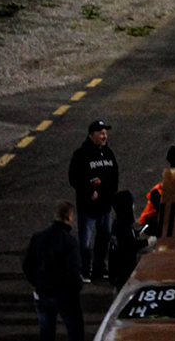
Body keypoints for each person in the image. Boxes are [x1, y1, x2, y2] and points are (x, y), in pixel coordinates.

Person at [23, 200, 84, 341]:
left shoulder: (38, 237)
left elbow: (27, 265)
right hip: (64, 294)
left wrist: (37, 282)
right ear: (69, 217)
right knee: (75, 331)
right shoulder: (69, 241)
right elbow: (74, 271)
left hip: (42, 291)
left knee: (46, 332)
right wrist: (76, 288)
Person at [67, 120, 118, 282]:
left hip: (105, 206)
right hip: (88, 207)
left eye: (105, 133)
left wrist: (112, 196)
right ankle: (85, 270)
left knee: (104, 238)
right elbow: (74, 178)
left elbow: (114, 176)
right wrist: (89, 191)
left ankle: (99, 268)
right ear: (91, 135)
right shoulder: (81, 155)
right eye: (101, 133)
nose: (104, 136)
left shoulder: (108, 153)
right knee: (85, 242)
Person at [107, 190, 145, 288]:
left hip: (117, 271)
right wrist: (147, 242)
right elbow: (129, 245)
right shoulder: (124, 225)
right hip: (124, 272)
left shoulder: (117, 222)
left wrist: (136, 233)